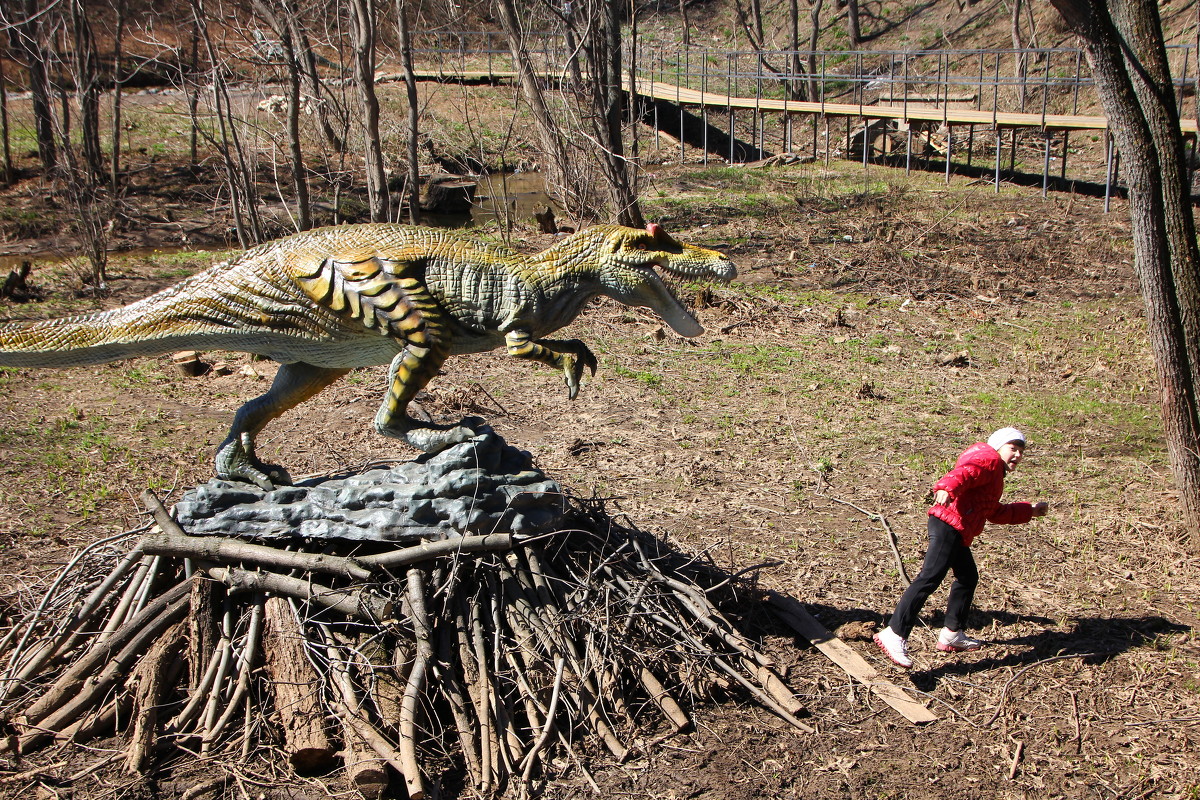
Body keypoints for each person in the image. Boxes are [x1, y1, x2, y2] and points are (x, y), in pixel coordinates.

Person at [873, 427, 1049, 669]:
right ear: (998, 447)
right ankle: (894, 632)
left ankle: (952, 634)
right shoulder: (987, 460)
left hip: (957, 528)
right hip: (949, 523)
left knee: (968, 578)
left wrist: (1029, 511)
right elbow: (965, 473)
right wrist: (947, 487)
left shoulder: (996, 474)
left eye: (1021, 451)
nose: (1017, 455)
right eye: (1012, 448)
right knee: (929, 577)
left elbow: (995, 512)